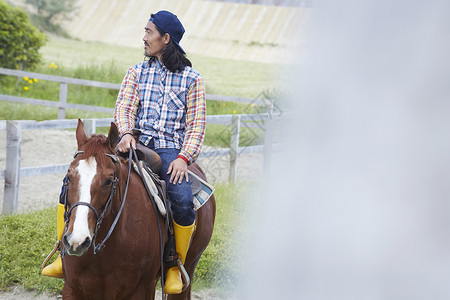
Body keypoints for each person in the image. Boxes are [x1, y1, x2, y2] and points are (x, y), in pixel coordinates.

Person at [42, 11, 206, 295]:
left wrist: (183, 157)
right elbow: (125, 108)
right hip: (135, 144)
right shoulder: (136, 72)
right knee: (75, 182)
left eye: (149, 32)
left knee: (181, 200)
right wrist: (127, 132)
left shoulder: (192, 80)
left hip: (169, 150)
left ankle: (172, 266)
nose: (144, 38)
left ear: (165, 39)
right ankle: (62, 253)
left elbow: (197, 125)